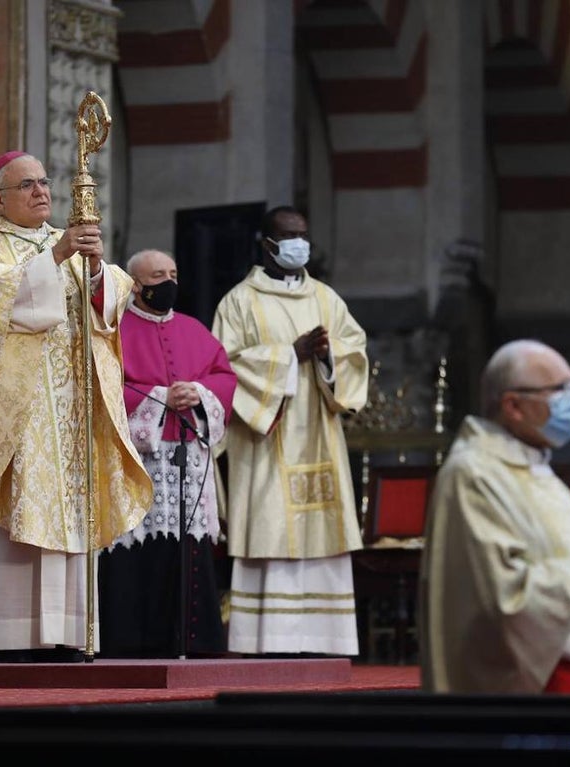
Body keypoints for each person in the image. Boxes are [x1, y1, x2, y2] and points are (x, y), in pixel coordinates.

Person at [0, 150, 153, 663]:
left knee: (66, 514)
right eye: (27, 184)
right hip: (13, 413)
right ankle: (8, 640)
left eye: (45, 182)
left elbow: (109, 303)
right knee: (16, 511)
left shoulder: (62, 245)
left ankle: (65, 633)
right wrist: (59, 257)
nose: (41, 191)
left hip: (66, 413)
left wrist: (94, 274)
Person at [418, 338, 570, 694]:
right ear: (513, 405)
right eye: (559, 390)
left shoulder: (534, 468)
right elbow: (499, 594)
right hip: (536, 693)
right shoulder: (474, 475)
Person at [211, 205, 369, 656]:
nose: (299, 243)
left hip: (318, 429)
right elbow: (223, 369)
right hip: (267, 438)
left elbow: (354, 352)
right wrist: (287, 355)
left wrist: (326, 357)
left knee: (322, 531)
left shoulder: (326, 299)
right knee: (271, 526)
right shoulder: (239, 301)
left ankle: (325, 641)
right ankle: (268, 642)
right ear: (268, 244)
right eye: (289, 236)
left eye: (304, 235)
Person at [98, 248, 238, 658]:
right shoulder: (114, 331)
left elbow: (224, 376)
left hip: (187, 454)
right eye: (159, 275)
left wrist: (199, 392)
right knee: (135, 548)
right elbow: (103, 386)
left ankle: (191, 641)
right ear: (136, 285)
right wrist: (160, 398)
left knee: (187, 545)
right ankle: (132, 642)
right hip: (138, 459)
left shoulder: (195, 329)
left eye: (174, 272)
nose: (169, 282)